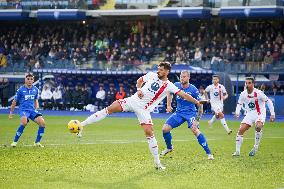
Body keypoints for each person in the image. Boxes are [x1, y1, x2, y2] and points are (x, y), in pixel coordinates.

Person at [74, 62, 202, 170]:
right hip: (132, 100)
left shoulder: (169, 85)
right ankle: (82, 125)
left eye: (161, 70)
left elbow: (184, 95)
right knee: (110, 108)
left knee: (149, 132)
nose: (158, 71)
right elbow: (139, 80)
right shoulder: (152, 75)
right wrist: (139, 89)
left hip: (144, 110)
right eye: (158, 69)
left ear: (167, 71)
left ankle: (157, 163)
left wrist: (196, 102)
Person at [160, 71, 214, 160]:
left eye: (184, 77)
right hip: (179, 113)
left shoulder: (193, 90)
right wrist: (168, 105)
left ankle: (209, 153)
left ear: (188, 77)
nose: (182, 78)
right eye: (181, 76)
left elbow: (200, 105)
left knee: (195, 130)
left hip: (191, 114)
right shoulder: (176, 85)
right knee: (165, 129)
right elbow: (169, 92)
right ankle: (169, 147)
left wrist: (197, 120)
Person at [233, 77, 275, 156]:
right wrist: (237, 112)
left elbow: (268, 101)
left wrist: (272, 114)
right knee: (241, 130)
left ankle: (255, 147)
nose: (247, 85)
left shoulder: (258, 93)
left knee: (258, 127)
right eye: (246, 83)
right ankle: (237, 151)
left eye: (249, 83)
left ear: (253, 84)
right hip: (250, 114)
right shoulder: (243, 94)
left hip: (260, 113)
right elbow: (239, 104)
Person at [9, 73, 46, 147]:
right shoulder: (20, 90)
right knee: (24, 122)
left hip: (32, 110)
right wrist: (11, 112)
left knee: (42, 123)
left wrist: (37, 107)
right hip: (23, 110)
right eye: (28, 79)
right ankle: (14, 142)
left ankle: (37, 142)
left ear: (33, 80)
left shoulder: (35, 89)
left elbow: (35, 100)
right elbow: (14, 101)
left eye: (31, 79)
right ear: (25, 80)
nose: (29, 80)